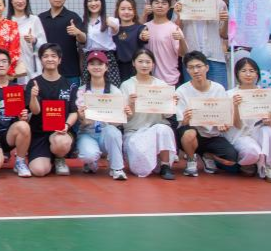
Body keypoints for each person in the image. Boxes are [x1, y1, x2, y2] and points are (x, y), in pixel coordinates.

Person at [175, 51, 238, 177]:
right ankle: (191, 160)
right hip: (193, 134)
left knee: (231, 160)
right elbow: (181, 122)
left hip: (212, 135)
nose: (196, 71)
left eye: (199, 66)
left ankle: (207, 155)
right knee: (189, 134)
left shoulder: (218, 89)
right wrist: (186, 120)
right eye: (191, 67)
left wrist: (224, 124)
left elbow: (224, 116)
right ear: (187, 70)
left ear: (207, 67)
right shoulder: (181, 91)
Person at [120, 48, 177, 180]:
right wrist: (131, 104)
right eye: (140, 61)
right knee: (140, 169)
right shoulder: (126, 85)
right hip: (134, 132)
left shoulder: (161, 85)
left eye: (148, 62)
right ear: (133, 63)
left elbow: (167, 116)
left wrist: (171, 104)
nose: (144, 65)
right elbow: (124, 117)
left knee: (164, 129)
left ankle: (165, 165)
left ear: (153, 64)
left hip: (156, 130)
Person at [25, 44, 78, 177]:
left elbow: (74, 112)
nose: (50, 59)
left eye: (53, 56)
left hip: (61, 132)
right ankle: (48, 158)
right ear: (41, 60)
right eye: (46, 56)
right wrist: (33, 96)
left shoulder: (69, 85)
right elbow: (35, 111)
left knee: (61, 142)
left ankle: (59, 158)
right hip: (40, 133)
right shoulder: (33, 83)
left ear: (59, 60)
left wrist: (66, 126)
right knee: (39, 171)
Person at [226, 57, 271, 183]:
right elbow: (237, 125)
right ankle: (248, 163)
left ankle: (270, 167)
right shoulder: (230, 95)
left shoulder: (266, 94)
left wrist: (270, 120)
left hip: (258, 131)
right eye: (243, 71)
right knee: (252, 152)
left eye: (252, 71)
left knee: (268, 131)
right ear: (237, 74)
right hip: (240, 134)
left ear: (257, 74)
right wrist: (235, 106)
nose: (248, 74)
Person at [75, 51, 128, 180]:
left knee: (113, 132)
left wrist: (123, 114)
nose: (96, 67)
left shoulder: (114, 91)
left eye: (100, 64)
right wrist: (81, 117)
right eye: (92, 64)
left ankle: (117, 168)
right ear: (87, 67)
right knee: (88, 155)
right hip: (87, 133)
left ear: (106, 67)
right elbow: (81, 122)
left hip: (106, 132)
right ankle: (91, 162)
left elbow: (117, 123)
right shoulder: (81, 91)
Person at [0, 49, 32, 177]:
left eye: (4, 61)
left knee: (24, 126)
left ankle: (20, 162)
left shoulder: (16, 89)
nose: (1, 64)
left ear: (9, 65)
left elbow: (22, 117)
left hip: (9, 134)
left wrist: (23, 116)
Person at [180, 0, 230, 87]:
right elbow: (177, 31)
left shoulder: (219, 3)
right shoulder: (182, 4)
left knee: (218, 91)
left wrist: (226, 20)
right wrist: (178, 15)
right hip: (191, 56)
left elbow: (224, 34)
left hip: (215, 56)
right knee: (193, 92)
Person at [38, 0, 84, 85]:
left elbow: (83, 40)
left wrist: (78, 33)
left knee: (72, 96)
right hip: (46, 72)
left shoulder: (73, 17)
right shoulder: (41, 18)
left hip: (70, 72)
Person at [80, 0, 120, 89]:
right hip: (89, 58)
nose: (93, 3)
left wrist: (112, 25)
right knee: (88, 89)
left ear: (102, 2)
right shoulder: (83, 23)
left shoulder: (109, 20)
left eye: (96, 0)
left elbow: (115, 30)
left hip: (107, 58)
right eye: (90, 1)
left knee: (111, 88)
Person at [145, 0, 186, 86]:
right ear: (151, 5)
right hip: (149, 81)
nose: (160, 6)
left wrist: (181, 40)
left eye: (164, 3)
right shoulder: (144, 27)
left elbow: (182, 53)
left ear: (169, 7)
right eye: (156, 3)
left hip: (170, 81)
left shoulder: (174, 28)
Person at [7, 0, 46, 81]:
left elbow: (44, 45)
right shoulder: (7, 22)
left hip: (32, 66)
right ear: (11, 0)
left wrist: (34, 40)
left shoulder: (34, 19)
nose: (20, 1)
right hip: (12, 68)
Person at [112, 0, 148, 84]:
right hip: (117, 69)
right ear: (117, 11)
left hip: (135, 69)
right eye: (123, 9)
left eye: (130, 9)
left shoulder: (140, 28)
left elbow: (143, 36)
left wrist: (144, 36)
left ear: (134, 11)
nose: (126, 12)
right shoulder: (113, 29)